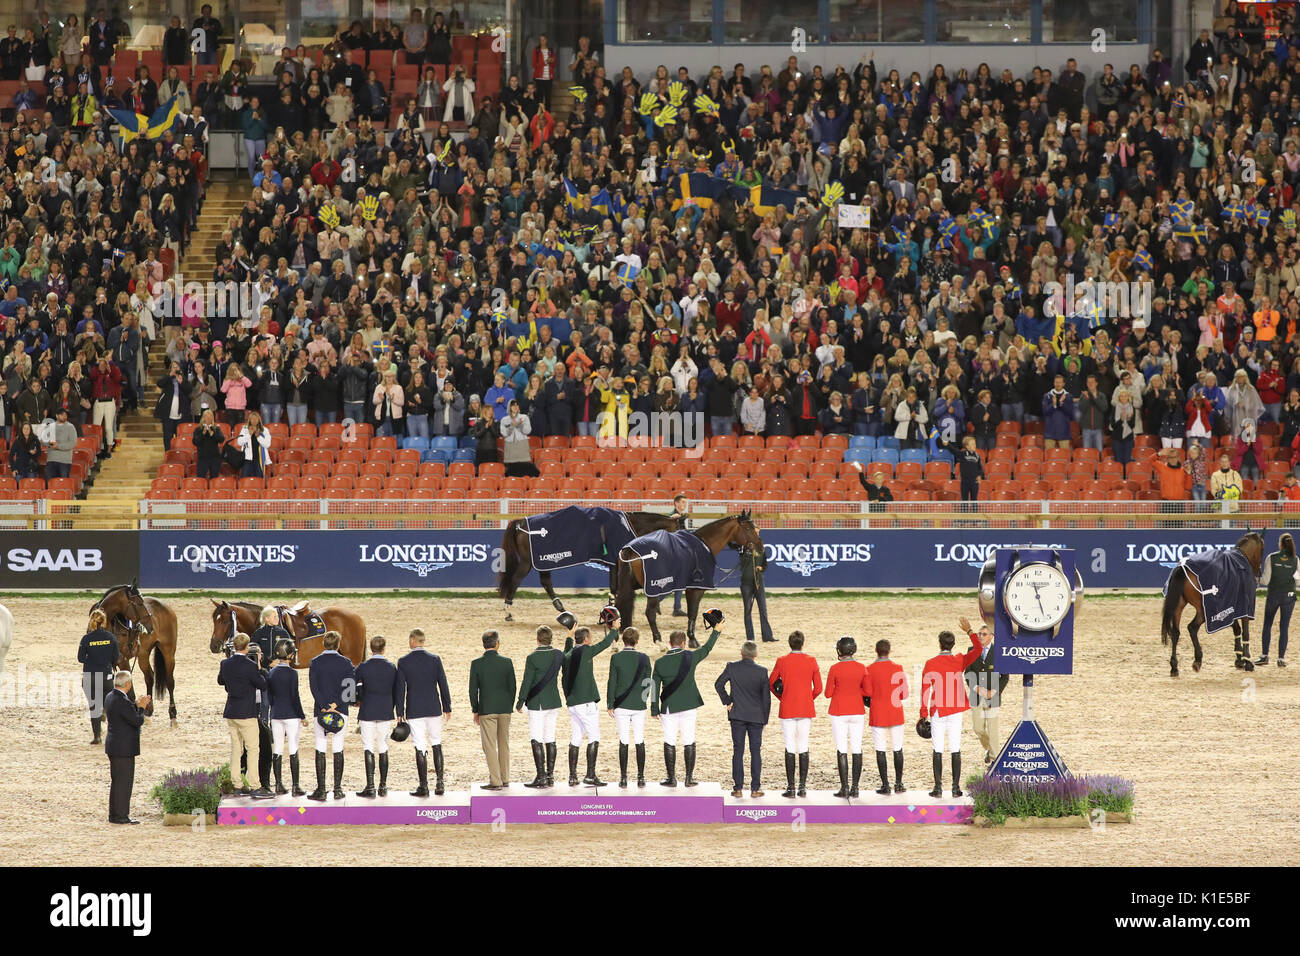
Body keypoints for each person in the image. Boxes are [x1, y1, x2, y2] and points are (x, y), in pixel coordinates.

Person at [649, 624, 722, 787]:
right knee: (689, 739)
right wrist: (716, 631)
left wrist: (654, 708)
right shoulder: (690, 656)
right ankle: (689, 778)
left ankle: (671, 778)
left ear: (669, 643)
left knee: (670, 741)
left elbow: (654, 687)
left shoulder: (660, 662)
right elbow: (707, 648)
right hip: (689, 705)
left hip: (669, 707)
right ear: (683, 643)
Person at [919, 622, 986, 798]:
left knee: (938, 748)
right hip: (956, 709)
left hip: (938, 710)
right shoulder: (959, 660)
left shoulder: (930, 663)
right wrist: (970, 631)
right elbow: (978, 649)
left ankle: (938, 788)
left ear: (940, 644)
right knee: (955, 747)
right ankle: (955, 788)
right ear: (952, 645)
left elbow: (925, 690)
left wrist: (922, 713)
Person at [562, 618, 617, 786]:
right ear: (585, 639)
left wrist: (568, 637)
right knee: (594, 736)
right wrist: (614, 629)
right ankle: (590, 775)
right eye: (590, 637)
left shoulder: (568, 655)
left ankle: (572, 776)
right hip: (586, 702)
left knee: (576, 737)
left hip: (573, 703)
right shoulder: (585, 651)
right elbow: (605, 644)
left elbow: (567, 651)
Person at [397, 628, 453, 797]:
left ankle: (423, 786)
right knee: (436, 743)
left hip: (414, 709)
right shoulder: (435, 659)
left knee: (420, 746)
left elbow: (401, 690)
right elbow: (443, 684)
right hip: (433, 708)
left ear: (413, 641)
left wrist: (399, 711)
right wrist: (447, 707)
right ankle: (440, 782)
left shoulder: (403, 661)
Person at [216, 632, 271, 798]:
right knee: (253, 749)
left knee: (236, 749)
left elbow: (220, 680)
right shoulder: (250, 665)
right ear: (247, 647)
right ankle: (255, 785)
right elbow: (262, 684)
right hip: (247, 713)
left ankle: (237, 784)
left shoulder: (225, 663)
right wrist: (259, 668)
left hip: (232, 712)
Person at [769, 630, 822, 798]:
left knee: (790, 746)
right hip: (805, 709)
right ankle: (803, 787)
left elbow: (771, 683)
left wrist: (782, 697)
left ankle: (791, 787)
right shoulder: (811, 660)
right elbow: (819, 688)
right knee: (803, 745)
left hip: (788, 708)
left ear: (789, 643)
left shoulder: (782, 661)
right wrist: (808, 699)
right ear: (803, 643)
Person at [714, 640, 771, 797]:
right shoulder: (762, 671)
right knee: (755, 751)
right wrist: (764, 719)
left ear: (741, 652)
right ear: (756, 654)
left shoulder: (732, 667)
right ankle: (755, 788)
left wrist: (727, 701)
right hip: (756, 717)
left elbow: (719, 684)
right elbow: (766, 698)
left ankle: (738, 788)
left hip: (737, 715)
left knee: (738, 751)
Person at [306, 630, 357, 801]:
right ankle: (337, 789)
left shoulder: (315, 662)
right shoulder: (346, 663)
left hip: (320, 711)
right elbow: (349, 690)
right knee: (338, 747)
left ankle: (321, 790)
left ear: (323, 644)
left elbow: (314, 688)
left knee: (320, 747)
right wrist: (336, 705)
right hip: (341, 711)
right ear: (338, 645)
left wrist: (325, 706)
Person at [354, 635, 403, 798]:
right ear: (384, 649)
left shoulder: (363, 667)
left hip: (367, 710)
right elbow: (398, 692)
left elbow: (351, 685)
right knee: (383, 746)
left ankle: (370, 786)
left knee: (368, 746)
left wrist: (356, 700)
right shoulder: (391, 667)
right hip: (385, 711)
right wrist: (398, 711)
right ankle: (383, 786)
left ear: (371, 648)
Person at [516, 625, 564, 787]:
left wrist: (520, 700)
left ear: (537, 639)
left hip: (538, 703)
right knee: (550, 737)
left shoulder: (532, 657)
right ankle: (550, 776)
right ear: (550, 639)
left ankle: (541, 776)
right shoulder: (558, 654)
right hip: (553, 701)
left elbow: (527, 681)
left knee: (536, 738)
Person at [824, 635, 870, 798]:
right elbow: (868, 691)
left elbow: (828, 693)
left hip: (838, 711)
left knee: (842, 748)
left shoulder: (835, 668)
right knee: (857, 748)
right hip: (857, 710)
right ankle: (855, 787)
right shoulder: (861, 667)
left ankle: (844, 787)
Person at [470, 630, 516, 790]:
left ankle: (495, 781)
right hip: (504, 708)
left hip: (487, 709)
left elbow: (473, 690)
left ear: (484, 644)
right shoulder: (507, 662)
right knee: (504, 744)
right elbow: (513, 687)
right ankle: (505, 778)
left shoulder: (476, 663)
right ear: (497, 644)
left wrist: (476, 710)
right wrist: (508, 706)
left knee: (489, 745)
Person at [606, 626, 651, 787]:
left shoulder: (616, 658)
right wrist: (643, 700)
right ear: (637, 641)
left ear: (623, 640)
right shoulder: (644, 658)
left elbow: (612, 682)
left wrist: (610, 703)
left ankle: (623, 778)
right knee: (639, 740)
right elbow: (648, 683)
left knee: (623, 740)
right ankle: (640, 777)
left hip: (621, 704)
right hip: (638, 705)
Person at [105, 670, 150, 824]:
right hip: (123, 748)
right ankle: (121, 816)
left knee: (117, 782)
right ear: (129, 685)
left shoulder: (111, 696)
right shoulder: (122, 702)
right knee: (124, 783)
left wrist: (135, 705)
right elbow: (137, 720)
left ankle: (115, 814)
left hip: (114, 746)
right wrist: (142, 707)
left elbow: (126, 715)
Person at [866, 638, 909, 794]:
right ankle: (899, 783)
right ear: (889, 651)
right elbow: (904, 694)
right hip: (895, 713)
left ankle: (885, 784)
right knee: (897, 748)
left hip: (878, 713)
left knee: (880, 750)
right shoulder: (898, 668)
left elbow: (868, 692)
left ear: (876, 651)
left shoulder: (869, 669)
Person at [266, 639, 306, 796]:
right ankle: (296, 786)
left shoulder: (271, 672)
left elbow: (269, 697)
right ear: (290, 654)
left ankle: (278, 785)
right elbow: (294, 697)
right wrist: (301, 715)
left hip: (276, 715)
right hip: (291, 715)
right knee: (293, 748)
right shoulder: (292, 673)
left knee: (277, 749)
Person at [964, 620, 1008, 764]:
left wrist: (994, 692)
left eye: (984, 634)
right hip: (976, 696)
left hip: (992, 697)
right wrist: (977, 688)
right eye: (979, 634)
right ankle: (989, 749)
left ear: (991, 636)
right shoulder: (971, 650)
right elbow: (967, 673)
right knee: (978, 728)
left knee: (993, 729)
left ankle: (995, 760)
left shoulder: (999, 652)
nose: (981, 636)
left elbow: (1005, 677)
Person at [78, 608, 117, 745]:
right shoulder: (111, 637)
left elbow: (81, 658)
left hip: (90, 677)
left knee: (94, 707)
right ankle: (112, 734)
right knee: (110, 706)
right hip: (106, 677)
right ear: (104, 622)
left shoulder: (86, 638)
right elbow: (115, 658)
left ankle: (97, 737)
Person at [1256, 532, 1296, 667]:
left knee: (1267, 624)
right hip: (1289, 596)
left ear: (1280, 544)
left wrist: (1256, 577)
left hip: (1274, 595)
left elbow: (1265, 581)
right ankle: (1281, 658)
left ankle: (1265, 656)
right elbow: (1298, 580)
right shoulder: (1296, 559)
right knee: (1284, 627)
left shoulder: (1271, 558)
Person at [740, 543, 774, 642]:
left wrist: (761, 568)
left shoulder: (761, 548)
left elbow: (765, 564)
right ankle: (750, 637)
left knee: (763, 609)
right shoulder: (743, 548)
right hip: (746, 583)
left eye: (758, 532)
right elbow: (742, 562)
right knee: (748, 610)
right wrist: (748, 550)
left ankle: (767, 636)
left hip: (759, 583)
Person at [670, 493, 690, 616]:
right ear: (676, 503)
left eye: (685, 502)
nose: (684, 505)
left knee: (680, 581)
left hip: (679, 553)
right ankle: (655, 603)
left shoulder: (681, 516)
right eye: (682, 502)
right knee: (675, 581)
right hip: (675, 554)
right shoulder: (674, 516)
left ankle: (677, 608)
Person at [236, 409, 272, 478]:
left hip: (260, 459)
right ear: (249, 420)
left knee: (259, 480)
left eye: (256, 419)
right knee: (245, 480)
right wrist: (249, 434)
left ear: (259, 420)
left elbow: (267, 444)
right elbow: (239, 442)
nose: (254, 420)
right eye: (252, 419)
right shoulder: (245, 429)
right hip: (247, 459)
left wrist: (258, 437)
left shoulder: (264, 430)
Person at [193, 409, 226, 479]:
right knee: (200, 478)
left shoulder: (216, 429)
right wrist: (203, 434)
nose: (208, 419)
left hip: (215, 458)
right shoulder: (198, 429)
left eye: (210, 417)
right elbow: (195, 442)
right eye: (206, 417)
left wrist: (212, 433)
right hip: (202, 458)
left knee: (214, 479)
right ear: (203, 418)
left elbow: (221, 439)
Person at [44, 407, 76, 479]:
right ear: (57, 416)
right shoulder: (50, 426)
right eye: (62, 415)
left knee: (63, 485)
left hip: (64, 461)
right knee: (49, 484)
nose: (64, 416)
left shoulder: (71, 427)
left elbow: (72, 443)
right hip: (51, 460)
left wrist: (58, 446)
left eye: (65, 415)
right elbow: (44, 440)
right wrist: (49, 443)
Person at [956, 435, 984, 503]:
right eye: (972, 444)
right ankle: (964, 513)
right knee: (964, 500)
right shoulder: (963, 454)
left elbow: (980, 467)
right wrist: (947, 445)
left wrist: (980, 475)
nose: (974, 445)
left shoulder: (977, 456)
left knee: (974, 500)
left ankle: (975, 513)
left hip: (974, 482)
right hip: (965, 482)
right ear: (967, 446)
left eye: (975, 443)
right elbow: (954, 451)